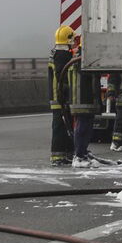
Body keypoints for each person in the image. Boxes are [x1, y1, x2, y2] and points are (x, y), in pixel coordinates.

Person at [60, 38, 100, 167]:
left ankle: (82, 152)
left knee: (86, 127)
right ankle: (78, 154)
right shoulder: (83, 59)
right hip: (83, 98)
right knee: (82, 127)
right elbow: (90, 76)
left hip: (82, 98)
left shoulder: (78, 57)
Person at [48, 26, 75, 166]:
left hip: (58, 96)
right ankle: (57, 157)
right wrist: (65, 94)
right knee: (60, 127)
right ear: (68, 39)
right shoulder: (62, 55)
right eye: (73, 39)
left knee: (66, 125)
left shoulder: (56, 53)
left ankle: (68, 153)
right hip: (60, 97)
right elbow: (61, 76)